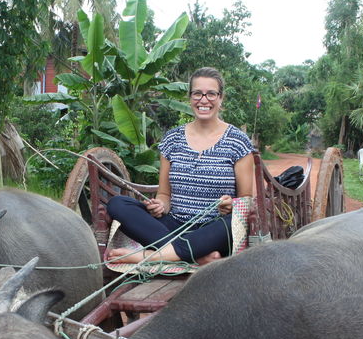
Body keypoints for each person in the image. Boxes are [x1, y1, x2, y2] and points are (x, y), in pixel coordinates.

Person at [106, 67, 254, 265]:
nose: (204, 100)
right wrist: (160, 206)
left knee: (231, 225)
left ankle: (145, 257)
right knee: (118, 205)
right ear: (190, 97)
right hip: (175, 225)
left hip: (214, 229)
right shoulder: (172, 139)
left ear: (220, 98)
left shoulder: (238, 141)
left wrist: (231, 205)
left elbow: (246, 200)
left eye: (211, 94)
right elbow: (165, 195)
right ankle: (197, 256)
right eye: (197, 93)